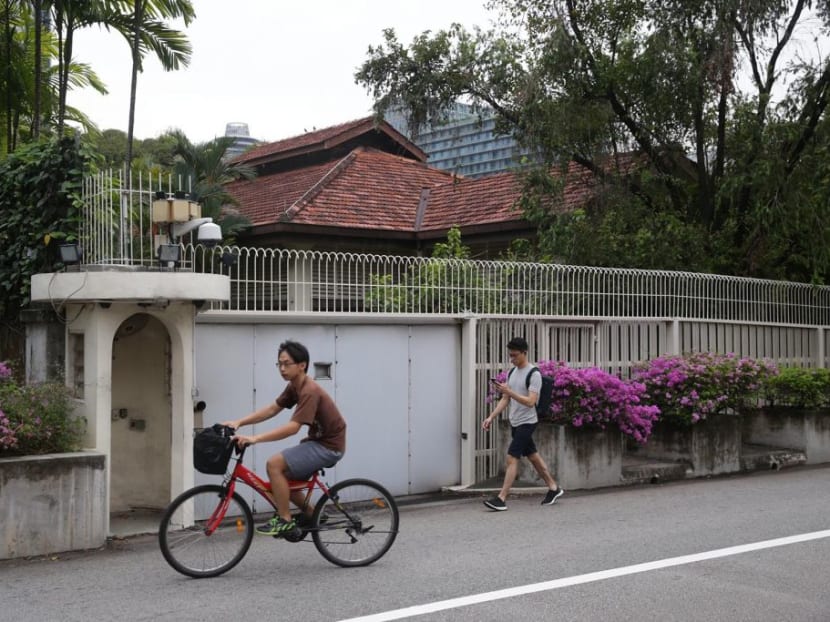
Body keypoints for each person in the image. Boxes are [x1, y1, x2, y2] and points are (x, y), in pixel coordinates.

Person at [224, 340, 346, 538]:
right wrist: (239, 422)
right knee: (282, 480)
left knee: (274, 465)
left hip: (329, 446)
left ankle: (285, 519)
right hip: (317, 442)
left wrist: (255, 438)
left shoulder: (309, 390)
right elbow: (273, 409)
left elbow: (293, 428)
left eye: (286, 363)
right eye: (279, 364)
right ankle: (313, 513)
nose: (282, 368)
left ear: (302, 365)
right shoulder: (294, 386)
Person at [481, 336, 563, 511]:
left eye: (515, 355)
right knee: (533, 456)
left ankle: (501, 499)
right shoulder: (512, 372)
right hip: (515, 422)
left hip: (528, 422)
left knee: (512, 457)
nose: (512, 359)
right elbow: (505, 398)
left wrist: (509, 391)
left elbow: (530, 402)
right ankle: (554, 488)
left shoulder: (534, 375)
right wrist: (491, 417)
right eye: (510, 355)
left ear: (525, 353)